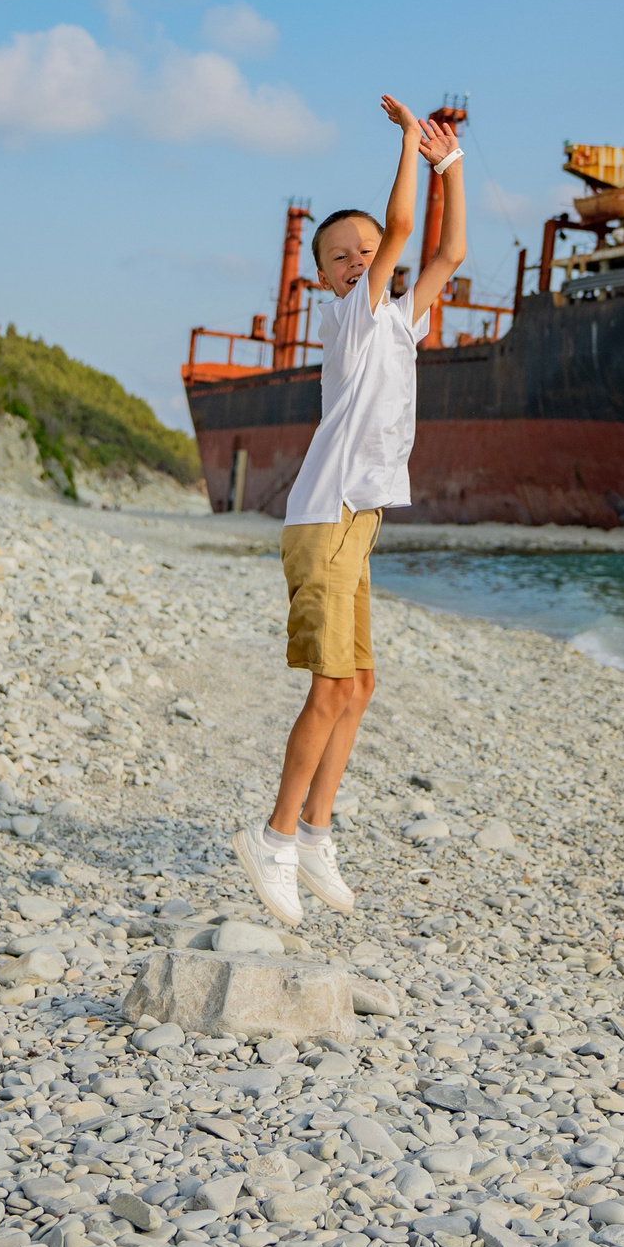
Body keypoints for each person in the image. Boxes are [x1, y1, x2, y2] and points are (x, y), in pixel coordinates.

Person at [234, 96, 468, 926]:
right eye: (341, 254)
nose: (358, 259)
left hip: (356, 521)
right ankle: (273, 835)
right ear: (326, 274)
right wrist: (410, 147)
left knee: (360, 684)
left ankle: (318, 830)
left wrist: (452, 167)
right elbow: (406, 231)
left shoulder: (399, 322)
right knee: (332, 688)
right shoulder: (350, 317)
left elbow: (448, 249)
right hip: (323, 517)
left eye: (363, 250)